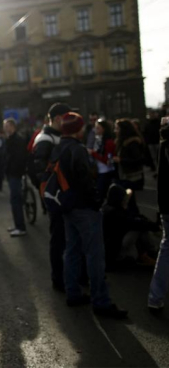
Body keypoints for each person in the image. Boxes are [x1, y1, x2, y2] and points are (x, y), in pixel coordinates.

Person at [51, 112, 128, 319]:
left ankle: (73, 293)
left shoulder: (59, 147)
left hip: (67, 207)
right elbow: (85, 180)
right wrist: (96, 202)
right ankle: (101, 301)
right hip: (84, 207)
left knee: (72, 250)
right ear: (77, 129)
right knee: (95, 254)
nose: (86, 130)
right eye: (83, 127)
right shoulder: (77, 149)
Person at [33, 102, 70, 291]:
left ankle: (68, 276)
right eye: (67, 116)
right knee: (58, 238)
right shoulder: (46, 138)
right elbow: (39, 170)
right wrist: (49, 194)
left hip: (63, 196)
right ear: (57, 118)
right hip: (57, 197)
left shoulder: (55, 135)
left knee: (65, 237)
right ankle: (59, 279)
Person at [102, 184, 159, 271]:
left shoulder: (110, 208)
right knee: (138, 229)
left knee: (139, 227)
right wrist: (154, 226)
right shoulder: (115, 213)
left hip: (111, 248)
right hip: (114, 251)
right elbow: (133, 222)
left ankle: (147, 253)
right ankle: (150, 252)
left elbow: (133, 218)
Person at [148, 116, 169, 313]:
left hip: (165, 204)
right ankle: (155, 296)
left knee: (166, 248)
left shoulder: (165, 140)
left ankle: (155, 297)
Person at [113, 118, 145, 214]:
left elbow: (138, 160)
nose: (115, 131)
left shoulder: (132, 143)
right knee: (129, 200)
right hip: (124, 174)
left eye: (117, 129)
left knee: (129, 199)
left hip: (131, 176)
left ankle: (134, 218)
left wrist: (121, 160)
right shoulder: (121, 141)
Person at [3, 118, 27, 237]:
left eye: (7, 126)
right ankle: (17, 225)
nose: (5, 128)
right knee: (14, 200)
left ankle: (21, 227)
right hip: (11, 173)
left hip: (15, 174)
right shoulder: (10, 139)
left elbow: (19, 158)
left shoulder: (17, 140)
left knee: (16, 200)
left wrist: (15, 171)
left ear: (13, 127)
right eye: (5, 126)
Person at [87, 119, 116, 202]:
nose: (96, 130)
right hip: (99, 170)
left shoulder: (108, 142)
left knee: (102, 193)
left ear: (104, 129)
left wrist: (93, 153)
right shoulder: (99, 139)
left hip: (106, 171)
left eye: (98, 128)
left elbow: (107, 160)